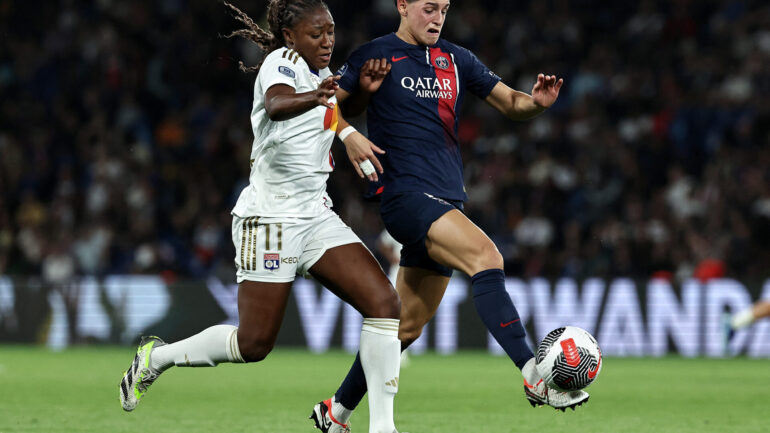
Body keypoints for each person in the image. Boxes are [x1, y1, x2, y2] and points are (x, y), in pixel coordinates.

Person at [118, 2, 403, 433]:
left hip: (314, 214)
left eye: (330, 31)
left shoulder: (319, 77)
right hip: (268, 218)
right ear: (291, 36)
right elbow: (276, 104)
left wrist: (363, 88)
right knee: (253, 344)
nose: (327, 41)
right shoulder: (280, 63)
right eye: (316, 33)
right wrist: (322, 96)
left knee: (384, 304)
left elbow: (341, 108)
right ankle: (155, 358)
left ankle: (382, 427)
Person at [309, 0, 589, 430]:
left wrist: (537, 104)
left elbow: (512, 103)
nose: (437, 17)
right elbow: (326, 103)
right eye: (428, 8)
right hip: (404, 196)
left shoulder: (457, 60)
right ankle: (533, 374)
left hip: (446, 199)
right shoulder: (375, 54)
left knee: (403, 329)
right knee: (486, 256)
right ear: (403, 6)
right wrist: (347, 136)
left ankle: (336, 411)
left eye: (443, 9)